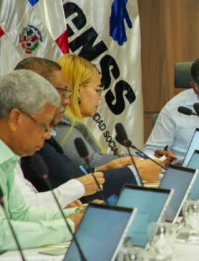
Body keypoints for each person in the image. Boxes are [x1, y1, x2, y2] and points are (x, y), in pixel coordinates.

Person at [0, 71, 81, 254]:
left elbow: (21, 214)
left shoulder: (3, 152)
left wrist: (78, 216)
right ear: (15, 119)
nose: (48, 134)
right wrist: (68, 227)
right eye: (44, 125)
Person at [15, 57, 141, 203]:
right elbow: (70, 177)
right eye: (64, 91)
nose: (68, 99)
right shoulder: (61, 126)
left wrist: (105, 168)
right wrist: (136, 170)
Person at [54, 54, 163, 182]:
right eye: (97, 90)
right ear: (78, 90)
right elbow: (92, 163)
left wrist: (148, 159)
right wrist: (143, 160)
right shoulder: (62, 123)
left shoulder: (70, 122)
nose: (100, 97)